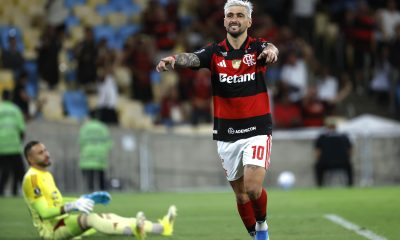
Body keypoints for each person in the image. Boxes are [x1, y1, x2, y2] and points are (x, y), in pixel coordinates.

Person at [156, 1, 278, 239]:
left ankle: (262, 225)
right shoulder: (214, 52)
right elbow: (191, 58)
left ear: (249, 21)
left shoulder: (258, 48)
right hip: (227, 132)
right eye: (230, 15)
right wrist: (173, 59)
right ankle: (255, 234)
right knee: (241, 195)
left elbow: (271, 47)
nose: (234, 19)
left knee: (253, 189)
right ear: (224, 21)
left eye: (240, 15)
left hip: (257, 129)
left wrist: (272, 52)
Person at [22, 140, 177, 240]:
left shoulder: (45, 174)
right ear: (30, 159)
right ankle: (136, 231)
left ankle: (162, 227)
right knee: (91, 219)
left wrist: (83, 199)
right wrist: (72, 206)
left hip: (64, 222)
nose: (47, 154)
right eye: (40, 153)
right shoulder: (32, 179)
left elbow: (57, 202)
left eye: (45, 150)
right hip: (51, 232)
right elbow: (45, 212)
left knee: (109, 216)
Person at [0, 90, 26, 196]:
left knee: (5, 171)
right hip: (14, 146)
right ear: (10, 97)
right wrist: (19, 141)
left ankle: (1, 191)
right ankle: (17, 191)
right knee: (19, 171)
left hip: (1, 147)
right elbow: (21, 129)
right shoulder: (16, 110)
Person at [314, 119, 353, 187]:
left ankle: (319, 186)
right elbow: (349, 151)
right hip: (342, 163)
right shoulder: (344, 137)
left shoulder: (322, 137)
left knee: (318, 166)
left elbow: (318, 152)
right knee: (349, 166)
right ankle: (350, 185)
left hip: (326, 164)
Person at [79, 117, 113, 191]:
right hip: (100, 157)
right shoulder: (102, 127)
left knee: (89, 182)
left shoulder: (85, 127)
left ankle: (91, 197)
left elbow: (80, 141)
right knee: (101, 180)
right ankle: (103, 197)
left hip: (87, 157)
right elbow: (109, 142)